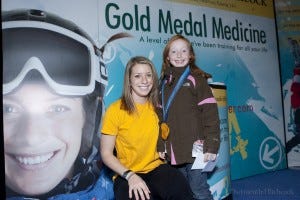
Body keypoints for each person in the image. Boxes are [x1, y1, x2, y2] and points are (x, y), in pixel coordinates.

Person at [3, 9, 114, 199]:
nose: (32, 137)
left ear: (89, 118)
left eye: (57, 108)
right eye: (8, 109)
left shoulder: (123, 188)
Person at [100, 56, 193, 200]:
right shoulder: (115, 110)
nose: (144, 80)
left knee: (180, 186)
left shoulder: (158, 107)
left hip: (156, 168)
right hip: (126, 173)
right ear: (129, 81)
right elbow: (106, 154)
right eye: (137, 76)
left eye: (148, 75)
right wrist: (130, 176)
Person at [158, 34, 220, 200]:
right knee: (182, 191)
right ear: (167, 57)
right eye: (174, 51)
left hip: (196, 149)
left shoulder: (197, 80)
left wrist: (212, 145)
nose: (179, 55)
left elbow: (211, 115)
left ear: (191, 55)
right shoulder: (163, 84)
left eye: (183, 51)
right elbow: (159, 119)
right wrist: (160, 145)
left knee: (198, 190)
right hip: (174, 150)